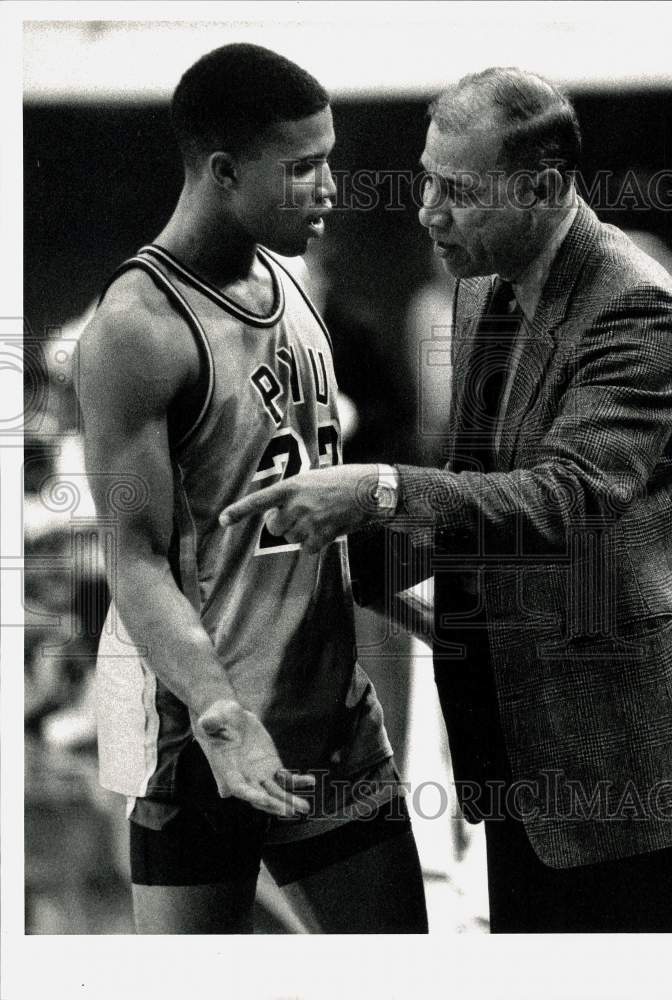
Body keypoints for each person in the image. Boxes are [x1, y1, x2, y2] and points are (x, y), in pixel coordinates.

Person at [221, 67, 672, 933]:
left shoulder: (634, 308)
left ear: (543, 187)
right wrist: (365, 569)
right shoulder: (479, 288)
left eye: (459, 190)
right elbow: (479, 485)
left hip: (619, 748)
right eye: (427, 178)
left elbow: (565, 502)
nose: (428, 211)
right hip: (517, 733)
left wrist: (378, 492)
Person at [77, 43, 427, 934]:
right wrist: (219, 711)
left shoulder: (293, 280)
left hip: (336, 731)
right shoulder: (136, 329)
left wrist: (424, 607)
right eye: (303, 167)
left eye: (331, 159)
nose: (330, 188)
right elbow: (136, 555)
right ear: (225, 172)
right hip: (205, 733)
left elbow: (310, 505)